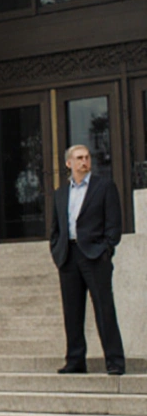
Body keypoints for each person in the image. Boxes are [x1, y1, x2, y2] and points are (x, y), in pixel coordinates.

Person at [49, 144, 125, 375]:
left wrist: (106, 250)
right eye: (79, 158)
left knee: (104, 309)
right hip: (68, 257)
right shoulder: (61, 194)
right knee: (72, 312)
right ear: (68, 163)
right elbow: (55, 228)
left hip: (94, 256)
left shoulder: (104, 187)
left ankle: (114, 361)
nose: (84, 161)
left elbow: (114, 224)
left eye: (87, 157)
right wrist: (56, 250)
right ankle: (75, 361)